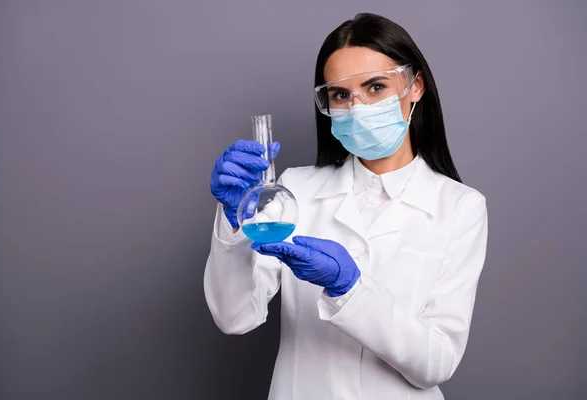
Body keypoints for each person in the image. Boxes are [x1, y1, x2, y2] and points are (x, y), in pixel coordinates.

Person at [204, 13, 488, 400]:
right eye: (340, 95)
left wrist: (350, 288)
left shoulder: (461, 207)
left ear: (415, 86)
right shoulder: (294, 189)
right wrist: (235, 221)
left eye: (375, 87)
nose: (358, 108)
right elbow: (234, 316)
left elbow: (436, 363)